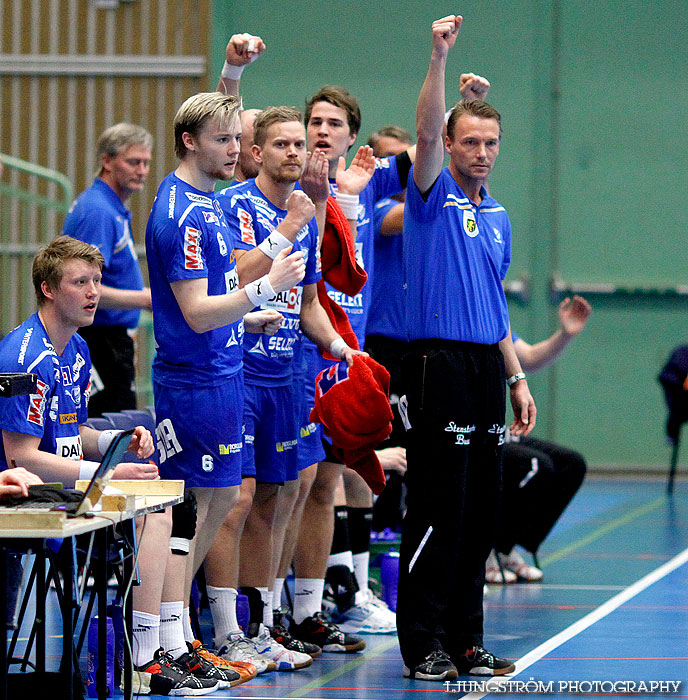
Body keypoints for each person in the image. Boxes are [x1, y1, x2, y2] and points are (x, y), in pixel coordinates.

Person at [144, 90, 305, 687]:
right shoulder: (182, 211)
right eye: (223, 140)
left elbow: (221, 289)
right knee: (193, 511)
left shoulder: (207, 202)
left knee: (214, 505)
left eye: (238, 139)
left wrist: (247, 310)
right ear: (190, 141)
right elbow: (195, 313)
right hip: (194, 380)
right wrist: (265, 291)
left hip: (222, 369)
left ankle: (179, 636)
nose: (235, 150)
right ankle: (166, 643)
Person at [396, 15, 536, 682]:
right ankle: (422, 641)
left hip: (485, 367)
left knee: (479, 512)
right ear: (449, 145)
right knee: (437, 509)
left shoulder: (499, 217)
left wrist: (517, 378)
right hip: (436, 366)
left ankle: (466, 639)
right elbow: (424, 126)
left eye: (491, 142)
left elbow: (495, 306)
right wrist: (439, 57)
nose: (481, 151)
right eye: (469, 141)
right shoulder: (429, 196)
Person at [207, 105, 371, 668]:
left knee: (279, 499)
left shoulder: (301, 212)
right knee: (239, 499)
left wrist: (342, 348)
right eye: (282, 144)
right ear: (257, 153)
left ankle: (265, 622)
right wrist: (289, 230)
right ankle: (225, 630)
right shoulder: (234, 205)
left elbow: (308, 305)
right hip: (238, 369)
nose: (297, 153)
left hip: (287, 375)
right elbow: (228, 275)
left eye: (300, 145)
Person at [0, 235, 156, 484]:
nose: (93, 292)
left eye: (97, 281)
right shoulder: (25, 359)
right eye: (80, 282)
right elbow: (20, 458)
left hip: (63, 490)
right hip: (23, 496)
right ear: (48, 289)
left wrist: (121, 441)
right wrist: (105, 475)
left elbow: (75, 433)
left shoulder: (78, 347)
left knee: (165, 512)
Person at [487, 296, 591, 583]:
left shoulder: (493, 310)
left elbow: (529, 358)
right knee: (535, 465)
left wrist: (565, 334)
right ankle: (486, 548)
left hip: (502, 431)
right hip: (476, 429)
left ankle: (507, 546)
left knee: (571, 464)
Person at [62, 123, 153, 416]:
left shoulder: (109, 208)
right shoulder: (99, 211)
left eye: (146, 163)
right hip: (100, 340)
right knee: (113, 424)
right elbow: (83, 285)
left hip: (111, 338)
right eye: (132, 162)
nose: (141, 170)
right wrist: (145, 299)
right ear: (107, 161)